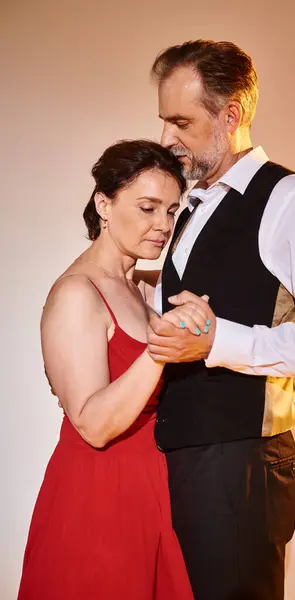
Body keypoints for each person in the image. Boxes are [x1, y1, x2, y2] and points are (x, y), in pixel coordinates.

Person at [136, 41, 295, 600]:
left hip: (242, 466)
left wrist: (219, 341)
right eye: (163, 121)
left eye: (182, 122)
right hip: (182, 456)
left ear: (232, 115)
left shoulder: (293, 200)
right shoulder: (191, 204)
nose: (167, 138)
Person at [17, 139, 198, 600]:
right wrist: (160, 347)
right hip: (98, 496)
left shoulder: (139, 287)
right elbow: (93, 425)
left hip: (149, 488)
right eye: (147, 208)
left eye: (171, 211)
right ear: (104, 203)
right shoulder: (76, 293)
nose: (162, 226)